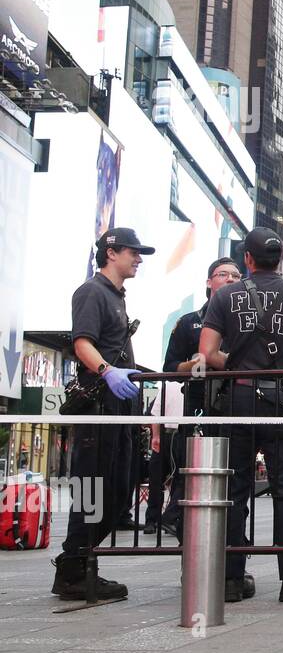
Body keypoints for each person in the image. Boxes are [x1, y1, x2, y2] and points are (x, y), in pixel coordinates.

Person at [199, 227, 283, 604]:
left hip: (239, 399)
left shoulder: (225, 296)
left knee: (235, 489)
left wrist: (238, 366)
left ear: (247, 259)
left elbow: (208, 352)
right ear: (282, 260)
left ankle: (230, 578)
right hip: (282, 401)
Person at [51, 228, 153, 602]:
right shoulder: (92, 291)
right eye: (133, 252)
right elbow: (82, 343)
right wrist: (107, 371)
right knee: (92, 489)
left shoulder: (117, 296)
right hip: (98, 406)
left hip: (119, 406)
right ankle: (73, 571)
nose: (138, 259)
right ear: (112, 253)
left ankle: (83, 562)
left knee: (119, 489)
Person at [147, 256, 243, 539]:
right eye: (223, 274)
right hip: (199, 410)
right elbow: (170, 369)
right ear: (209, 281)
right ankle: (186, 537)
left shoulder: (248, 321)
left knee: (236, 481)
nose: (230, 280)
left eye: (236, 276)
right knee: (190, 478)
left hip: (238, 408)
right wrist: (201, 362)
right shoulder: (189, 323)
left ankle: (233, 547)